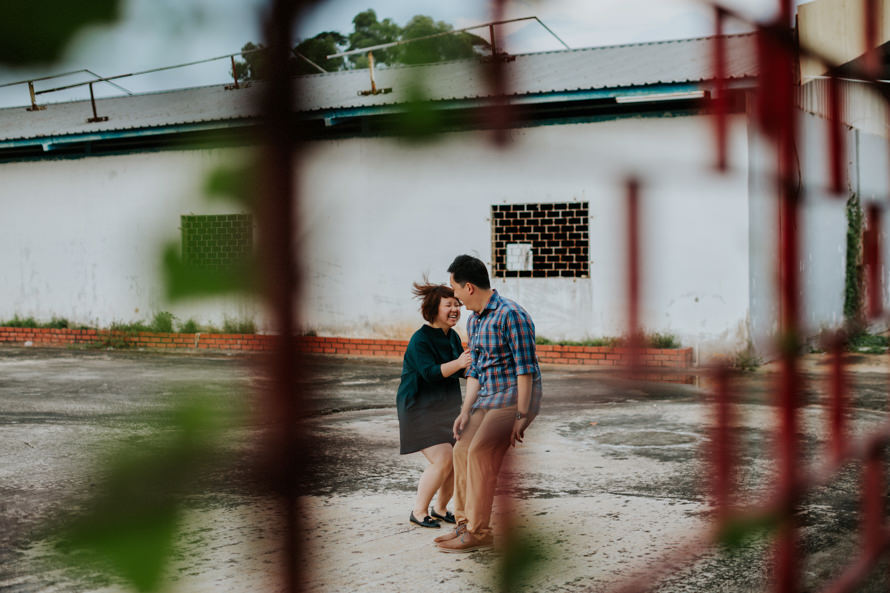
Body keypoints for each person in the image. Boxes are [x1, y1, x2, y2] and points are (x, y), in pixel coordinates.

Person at [435, 254, 543, 553]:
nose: (454, 298)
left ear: (468, 287)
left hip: (514, 399)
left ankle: (479, 532)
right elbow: (476, 371)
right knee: (461, 450)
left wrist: (523, 414)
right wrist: (464, 411)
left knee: (480, 452)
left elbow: (526, 369)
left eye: (455, 290)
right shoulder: (476, 321)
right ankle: (464, 524)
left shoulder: (512, 315)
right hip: (488, 398)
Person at [397, 282, 472, 529]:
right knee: (443, 459)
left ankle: (440, 509)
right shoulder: (420, 339)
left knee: (456, 458)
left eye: (457, 304)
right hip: (419, 409)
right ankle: (418, 511)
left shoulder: (451, 336)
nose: (455, 309)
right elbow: (430, 373)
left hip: (445, 408)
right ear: (434, 309)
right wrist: (461, 363)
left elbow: (458, 371)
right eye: (448, 305)